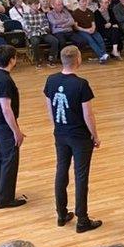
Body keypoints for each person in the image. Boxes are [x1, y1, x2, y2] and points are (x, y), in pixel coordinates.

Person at [44, 45, 102, 233]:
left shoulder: (51, 80)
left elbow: (50, 107)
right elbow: (88, 115)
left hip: (60, 133)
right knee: (81, 175)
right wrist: (95, 134)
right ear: (78, 60)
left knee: (61, 170)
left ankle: (61, 213)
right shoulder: (81, 84)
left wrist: (57, 126)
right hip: (79, 136)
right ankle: (82, 219)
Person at [0, 45, 27, 208]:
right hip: (3, 124)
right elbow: (6, 108)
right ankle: (5, 198)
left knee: (1, 156)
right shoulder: (4, 80)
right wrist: (16, 131)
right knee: (10, 159)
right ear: (12, 59)